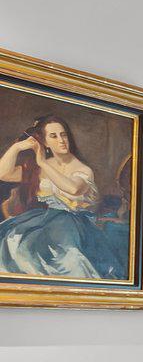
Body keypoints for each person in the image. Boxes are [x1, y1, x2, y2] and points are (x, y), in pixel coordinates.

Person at [0, 116, 130, 280]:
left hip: (76, 223)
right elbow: (3, 173)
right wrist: (17, 147)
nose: (61, 140)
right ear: (45, 142)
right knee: (12, 239)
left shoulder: (82, 168)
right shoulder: (40, 167)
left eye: (64, 134)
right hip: (46, 220)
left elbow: (73, 189)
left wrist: (43, 163)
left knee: (65, 256)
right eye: (53, 136)